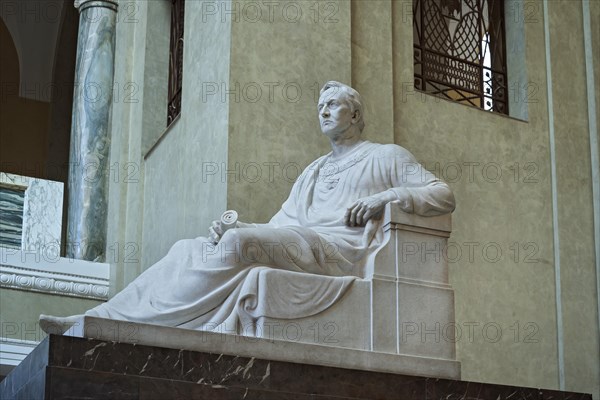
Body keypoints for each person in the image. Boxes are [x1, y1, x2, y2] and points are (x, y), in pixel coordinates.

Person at [40, 81, 455, 335]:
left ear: (356, 114)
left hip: (339, 251)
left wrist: (386, 197)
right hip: (305, 242)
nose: (324, 112)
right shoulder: (313, 171)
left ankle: (128, 325)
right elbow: (280, 225)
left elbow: (442, 194)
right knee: (190, 248)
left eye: (333, 105)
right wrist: (239, 227)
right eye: (320, 108)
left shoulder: (385, 156)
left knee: (237, 245)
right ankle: (102, 318)